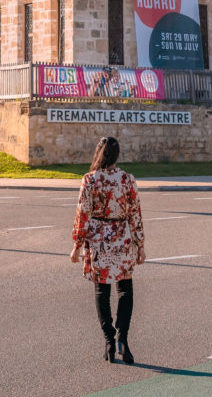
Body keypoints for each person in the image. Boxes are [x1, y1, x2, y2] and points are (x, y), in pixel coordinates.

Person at [70, 136, 145, 364]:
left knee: (102, 291)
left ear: (98, 154)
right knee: (125, 288)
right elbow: (135, 213)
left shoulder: (90, 180)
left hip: (99, 239)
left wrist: (76, 245)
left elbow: (83, 214)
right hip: (122, 237)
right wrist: (140, 244)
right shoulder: (127, 180)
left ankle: (109, 341)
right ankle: (123, 337)